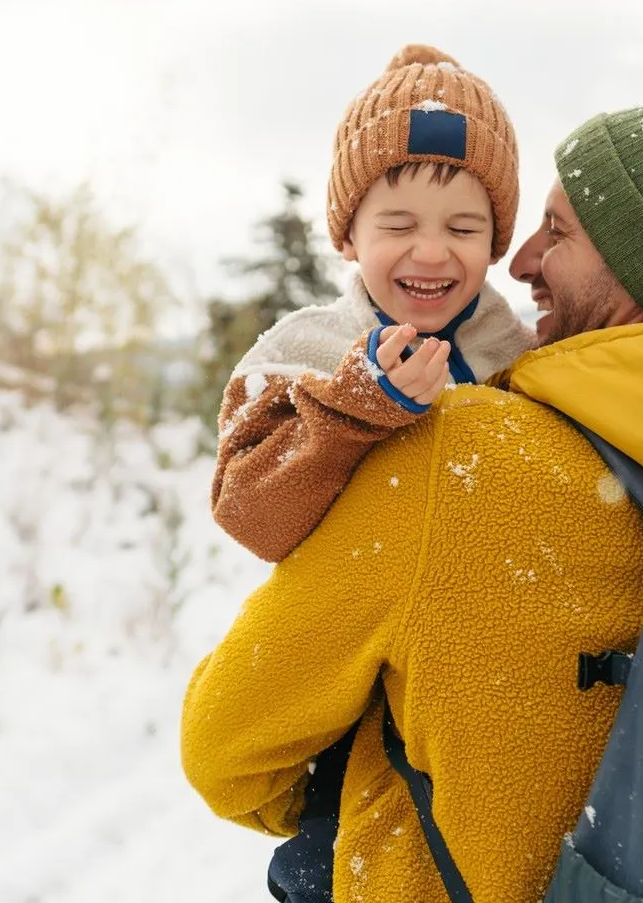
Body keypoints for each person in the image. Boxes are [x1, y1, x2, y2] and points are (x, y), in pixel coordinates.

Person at [181, 98, 643, 903]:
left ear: (638, 265)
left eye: (557, 231)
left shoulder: (460, 455)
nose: (521, 262)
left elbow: (227, 748)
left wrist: (350, 786)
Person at [211, 42, 533, 566]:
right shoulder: (301, 352)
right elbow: (250, 519)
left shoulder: (527, 361)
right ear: (348, 238)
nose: (431, 252)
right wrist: (355, 408)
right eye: (398, 226)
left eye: (463, 228)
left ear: (495, 243)